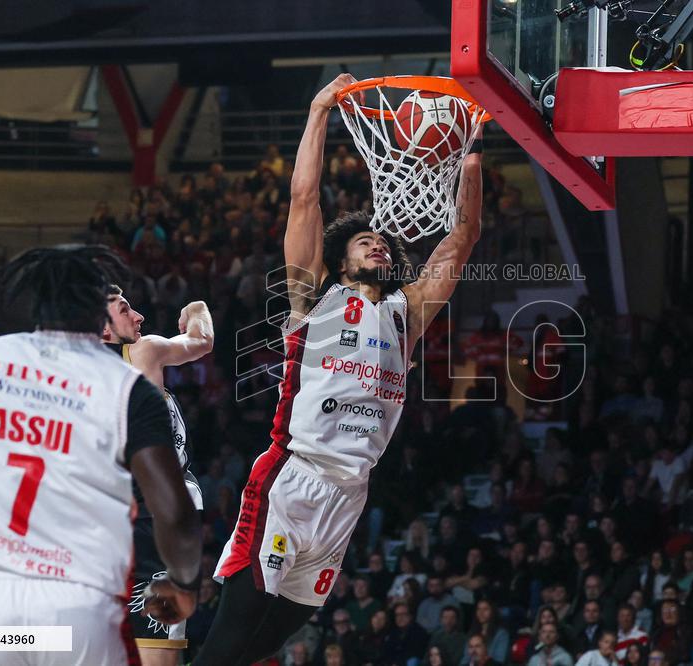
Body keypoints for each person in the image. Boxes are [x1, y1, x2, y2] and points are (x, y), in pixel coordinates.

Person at [197, 72, 484, 665]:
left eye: (382, 242)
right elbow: (305, 198)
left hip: (349, 495)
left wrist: (471, 150)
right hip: (291, 481)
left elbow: (462, 236)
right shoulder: (312, 297)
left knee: (271, 641)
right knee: (228, 645)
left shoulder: (406, 315)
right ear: (339, 257)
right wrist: (320, 108)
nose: (377, 244)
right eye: (363, 242)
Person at [0, 246, 201, 664]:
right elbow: (174, 514)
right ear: (98, 314)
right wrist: (183, 583)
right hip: (77, 603)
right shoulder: (125, 385)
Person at [103, 285, 213, 664]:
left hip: (102, 524)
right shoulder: (142, 351)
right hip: (154, 520)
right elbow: (202, 340)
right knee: (157, 654)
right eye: (124, 310)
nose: (138, 317)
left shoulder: (68, 377)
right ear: (102, 327)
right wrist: (196, 307)